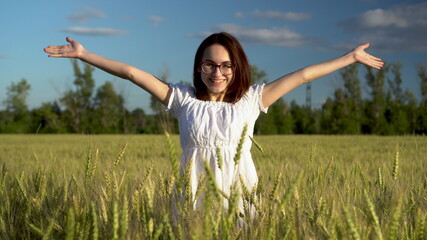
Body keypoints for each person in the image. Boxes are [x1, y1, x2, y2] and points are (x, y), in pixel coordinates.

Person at [44, 32, 383, 216]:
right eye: (209, 64)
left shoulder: (252, 100)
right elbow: (133, 73)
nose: (217, 73)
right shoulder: (182, 99)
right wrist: (84, 54)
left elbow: (304, 75)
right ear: (199, 67)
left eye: (225, 65)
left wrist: (349, 58)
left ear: (237, 68)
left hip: (239, 190)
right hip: (193, 190)